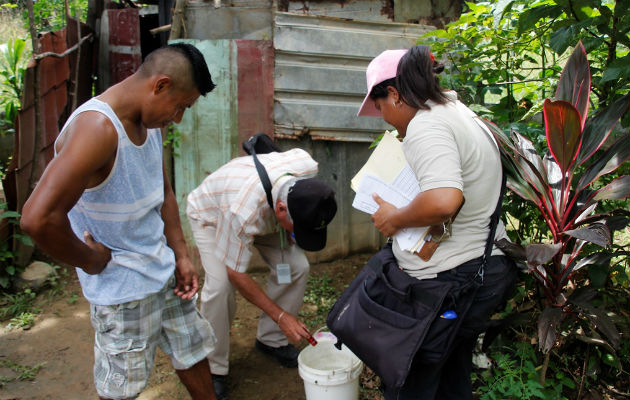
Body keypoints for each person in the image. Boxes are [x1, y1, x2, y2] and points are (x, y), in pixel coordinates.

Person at [20, 43, 219, 400]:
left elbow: (164, 192)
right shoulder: (97, 130)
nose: (178, 118)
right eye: (181, 107)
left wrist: (180, 254)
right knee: (120, 389)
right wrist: (91, 259)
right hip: (123, 292)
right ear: (160, 85)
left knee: (192, 351)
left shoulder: (148, 120)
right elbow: (37, 218)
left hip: (161, 270)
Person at [357, 45, 517, 399]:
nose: (383, 116)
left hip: (451, 282)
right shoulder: (457, 112)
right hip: (480, 271)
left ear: (395, 95)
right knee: (451, 373)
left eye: (380, 106)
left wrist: (394, 218)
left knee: (413, 382)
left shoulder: (426, 126)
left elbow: (445, 200)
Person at [186, 148, 337, 400]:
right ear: (280, 209)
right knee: (221, 286)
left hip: (265, 211)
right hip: (212, 216)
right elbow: (236, 274)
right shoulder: (242, 212)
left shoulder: (307, 167)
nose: (300, 234)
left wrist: (292, 230)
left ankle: (270, 340)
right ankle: (214, 368)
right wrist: (281, 315)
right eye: (299, 228)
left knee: (298, 267)